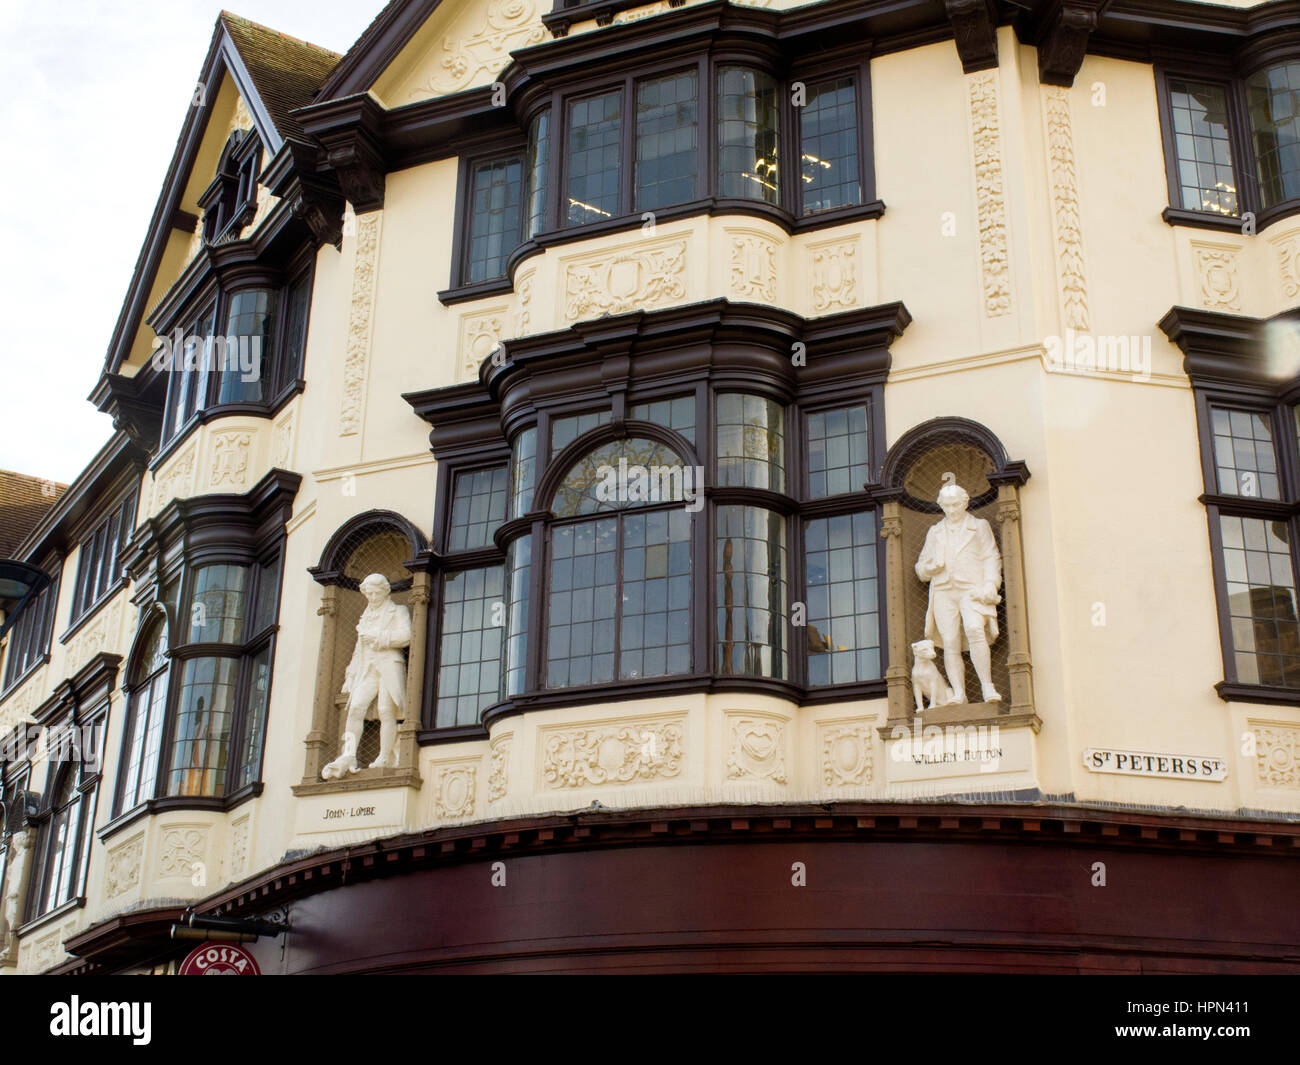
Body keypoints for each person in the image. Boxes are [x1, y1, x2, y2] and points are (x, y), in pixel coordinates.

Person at [914, 473, 1002, 704]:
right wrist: (931, 568)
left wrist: (991, 584)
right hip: (944, 590)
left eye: (955, 505)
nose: (951, 510)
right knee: (950, 640)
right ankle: (959, 693)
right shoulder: (935, 532)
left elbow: (991, 556)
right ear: (941, 506)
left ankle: (987, 687)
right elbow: (920, 568)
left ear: (965, 503)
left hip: (970, 589)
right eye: (947, 506)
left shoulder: (978, 526)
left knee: (974, 630)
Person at [321, 574, 411, 779]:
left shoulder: (398, 611)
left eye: (374, 593)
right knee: (355, 708)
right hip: (367, 669)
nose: (371, 597)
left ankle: (384, 756)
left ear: (385, 591)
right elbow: (357, 651)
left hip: (388, 665)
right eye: (368, 593)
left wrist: (380, 638)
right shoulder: (365, 615)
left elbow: (407, 635)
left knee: (386, 710)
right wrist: (350, 677)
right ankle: (349, 754)